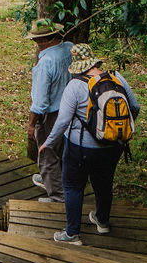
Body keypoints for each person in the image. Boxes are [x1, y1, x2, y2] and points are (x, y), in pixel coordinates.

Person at [40, 43, 140, 244]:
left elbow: (63, 121)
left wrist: (48, 143)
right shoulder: (116, 77)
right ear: (93, 61)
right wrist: (114, 132)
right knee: (103, 183)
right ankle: (102, 222)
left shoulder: (75, 86)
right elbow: (135, 107)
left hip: (80, 149)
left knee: (73, 186)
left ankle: (72, 233)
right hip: (113, 146)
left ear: (77, 65)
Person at [25, 19, 72, 201]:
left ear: (43, 40)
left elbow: (40, 102)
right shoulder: (69, 48)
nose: (35, 44)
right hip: (71, 109)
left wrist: (31, 125)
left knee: (47, 153)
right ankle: (52, 181)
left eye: (36, 40)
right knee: (63, 150)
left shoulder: (46, 63)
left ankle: (58, 197)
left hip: (52, 114)